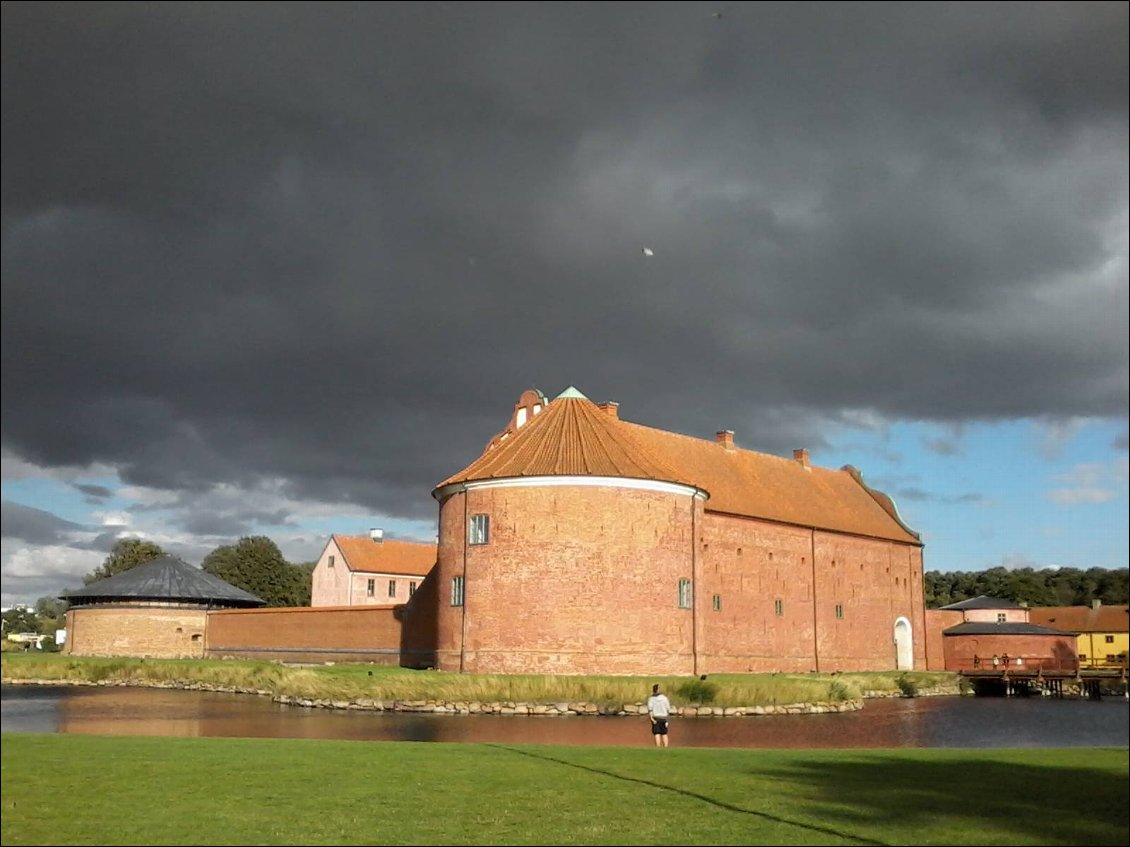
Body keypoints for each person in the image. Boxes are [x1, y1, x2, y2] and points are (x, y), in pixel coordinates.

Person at [646, 683, 672, 748]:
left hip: (655, 718)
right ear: (658, 690)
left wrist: (651, 718)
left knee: (656, 733)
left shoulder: (651, 699)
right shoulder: (664, 698)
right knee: (664, 733)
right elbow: (668, 708)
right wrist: (667, 718)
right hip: (663, 717)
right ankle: (666, 747)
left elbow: (650, 709)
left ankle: (658, 748)